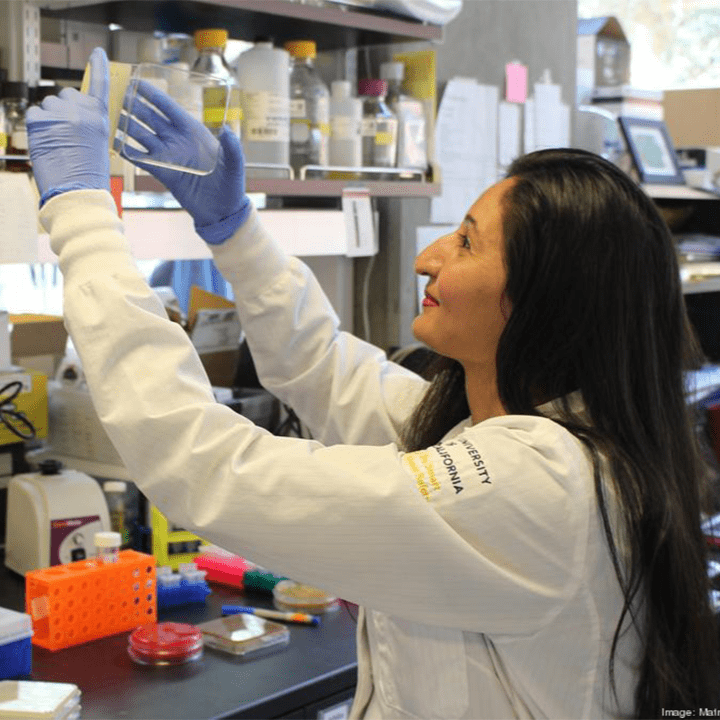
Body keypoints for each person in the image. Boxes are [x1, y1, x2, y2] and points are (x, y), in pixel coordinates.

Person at [26, 48, 718, 719]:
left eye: (469, 243)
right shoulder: (495, 428)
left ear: (548, 302)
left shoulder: (538, 487)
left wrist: (82, 217)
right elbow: (323, 364)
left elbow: (210, 465)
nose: (426, 258)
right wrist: (233, 228)